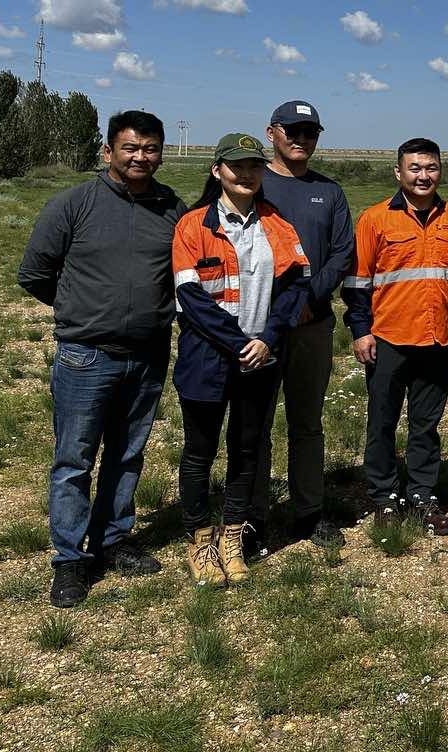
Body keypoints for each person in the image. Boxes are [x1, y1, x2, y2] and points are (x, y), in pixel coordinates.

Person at [19, 110, 182, 608]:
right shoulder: (74, 204)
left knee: (127, 454)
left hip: (148, 354)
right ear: (108, 152)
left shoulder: (170, 207)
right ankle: (70, 560)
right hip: (85, 356)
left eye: (150, 148)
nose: (141, 157)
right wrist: (81, 311)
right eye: (130, 148)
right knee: (74, 459)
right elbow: (36, 273)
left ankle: (113, 541)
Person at [171, 134, 310, 586]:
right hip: (207, 359)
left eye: (253, 166)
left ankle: (232, 536)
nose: (246, 174)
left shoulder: (278, 225)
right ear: (217, 171)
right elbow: (191, 297)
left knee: (246, 450)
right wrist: (238, 343)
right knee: (199, 453)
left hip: (260, 358)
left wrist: (268, 339)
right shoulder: (193, 226)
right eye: (236, 167)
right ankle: (199, 539)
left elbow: (294, 288)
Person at [342, 138, 448, 537]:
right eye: (415, 168)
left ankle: (422, 493)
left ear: (441, 170)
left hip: (437, 338)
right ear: (398, 172)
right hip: (388, 338)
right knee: (382, 422)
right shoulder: (375, 219)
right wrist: (360, 330)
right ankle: (384, 496)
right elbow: (357, 282)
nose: (423, 175)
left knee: (426, 424)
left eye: (431, 167)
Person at [250, 100, 355, 552]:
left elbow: (342, 254)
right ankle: (249, 516)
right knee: (254, 420)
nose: (301, 139)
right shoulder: (251, 182)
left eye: (309, 132)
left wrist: (311, 298)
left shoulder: (328, 192)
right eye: (291, 130)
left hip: (312, 323)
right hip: (257, 324)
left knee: (307, 421)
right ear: (272, 132)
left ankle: (308, 511)